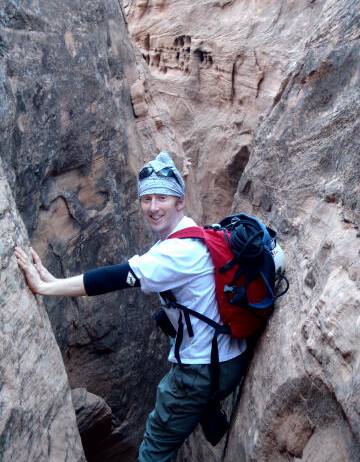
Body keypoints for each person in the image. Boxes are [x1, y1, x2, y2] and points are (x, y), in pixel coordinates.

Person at [15, 151, 247, 462]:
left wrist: (47, 287)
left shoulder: (176, 253)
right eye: (147, 198)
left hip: (202, 368)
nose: (153, 207)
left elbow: (115, 277)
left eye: (162, 198)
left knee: (154, 446)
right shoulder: (189, 232)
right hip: (226, 354)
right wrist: (54, 279)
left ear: (180, 202)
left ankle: (196, 406)